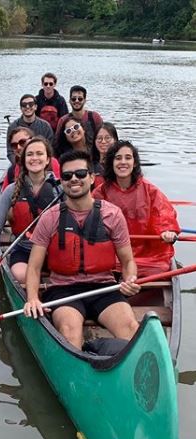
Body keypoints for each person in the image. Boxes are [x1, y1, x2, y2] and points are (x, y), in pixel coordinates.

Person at [23, 150, 141, 351]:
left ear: (92, 177)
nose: (74, 179)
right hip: (63, 291)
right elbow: (33, 268)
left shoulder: (112, 214)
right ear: (61, 181)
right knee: (69, 331)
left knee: (131, 328)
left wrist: (129, 279)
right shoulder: (50, 218)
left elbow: (128, 261)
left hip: (104, 288)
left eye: (80, 174)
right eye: (67, 176)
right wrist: (32, 298)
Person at [93, 140, 180, 276]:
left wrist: (167, 231)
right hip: (113, 250)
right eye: (118, 158)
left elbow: (163, 213)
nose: (123, 162)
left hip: (145, 251)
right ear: (111, 163)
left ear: (134, 163)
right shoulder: (101, 192)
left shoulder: (149, 189)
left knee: (160, 267)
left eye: (128, 158)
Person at [0, 137, 61, 283]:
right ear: (24, 160)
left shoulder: (60, 189)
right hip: (23, 250)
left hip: (53, 251)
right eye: (30, 154)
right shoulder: (11, 190)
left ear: (47, 160)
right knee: (22, 276)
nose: (35, 158)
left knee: (67, 275)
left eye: (39, 154)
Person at [6, 94, 53, 165]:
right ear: (21, 108)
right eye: (24, 105)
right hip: (19, 163)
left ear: (36, 107)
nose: (27, 107)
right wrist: (20, 164)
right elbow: (10, 152)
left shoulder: (46, 126)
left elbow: (50, 149)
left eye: (31, 104)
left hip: (40, 163)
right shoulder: (12, 127)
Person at [91, 122, 119, 187]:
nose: (103, 142)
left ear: (115, 140)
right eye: (99, 138)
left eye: (107, 138)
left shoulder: (122, 164)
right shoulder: (89, 165)